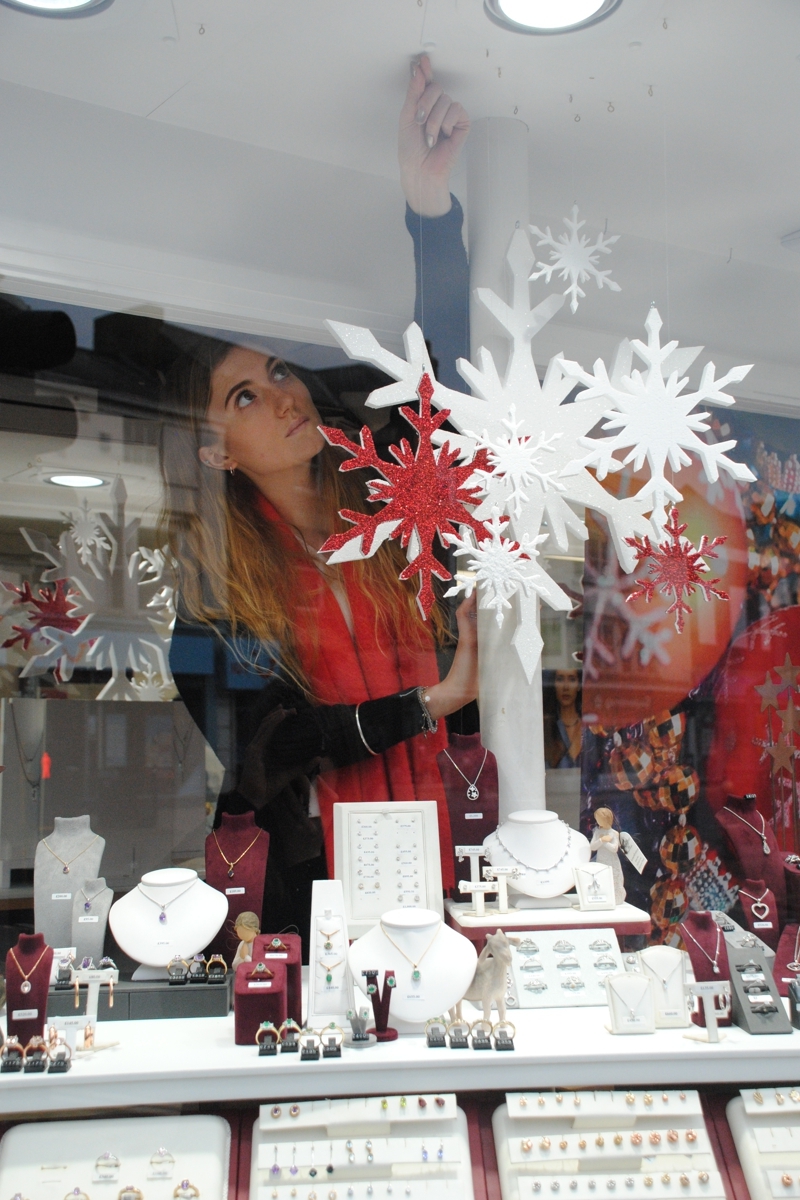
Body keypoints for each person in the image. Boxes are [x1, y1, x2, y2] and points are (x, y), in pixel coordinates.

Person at [163, 58, 475, 944]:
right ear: (216, 451)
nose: (286, 396)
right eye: (244, 398)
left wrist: (430, 213)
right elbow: (277, 754)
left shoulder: (384, 516)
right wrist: (433, 702)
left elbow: (443, 389)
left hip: (446, 851)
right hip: (313, 890)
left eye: (278, 373)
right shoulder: (212, 606)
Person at [543, 667, 584, 769]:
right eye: (560, 679)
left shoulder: (591, 726)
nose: (566, 687)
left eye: (572, 679)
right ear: (554, 685)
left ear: (579, 685)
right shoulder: (545, 726)